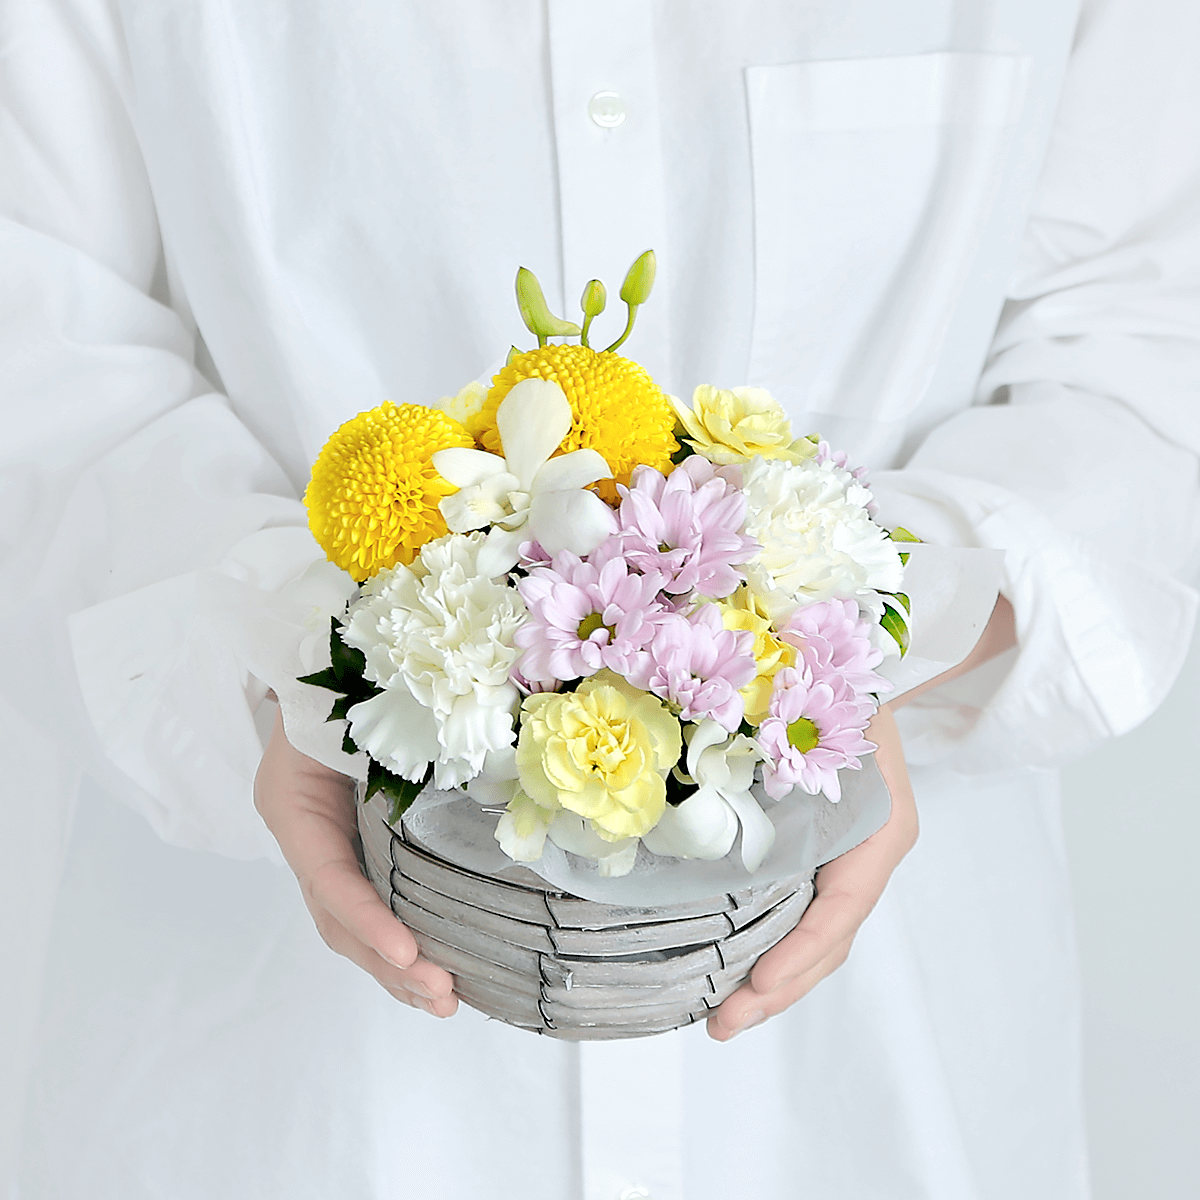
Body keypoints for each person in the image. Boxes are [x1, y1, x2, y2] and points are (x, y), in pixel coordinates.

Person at [2, 1, 1198, 1197]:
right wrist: (300, 670)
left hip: (878, 1094)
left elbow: (1138, 366)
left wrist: (845, 655)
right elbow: (41, 361)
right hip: (273, 1098)